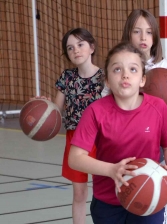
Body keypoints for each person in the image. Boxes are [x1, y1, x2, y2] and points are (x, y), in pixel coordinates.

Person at [68, 42, 167, 224]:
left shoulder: (158, 108)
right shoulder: (95, 111)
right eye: (117, 69)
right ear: (107, 80)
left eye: (133, 69)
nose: (125, 74)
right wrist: (112, 170)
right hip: (108, 202)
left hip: (148, 199)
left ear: (143, 79)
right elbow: (75, 158)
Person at [33, 28, 105, 224]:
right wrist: (42, 108)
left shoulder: (104, 78)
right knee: (79, 194)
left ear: (92, 47)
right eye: (70, 48)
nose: (76, 50)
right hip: (76, 141)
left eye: (80, 45)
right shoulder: (67, 78)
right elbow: (56, 111)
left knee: (104, 193)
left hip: (102, 140)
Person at [102, 9, 167, 109]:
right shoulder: (119, 64)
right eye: (137, 31)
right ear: (128, 34)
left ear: (155, 36)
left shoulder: (165, 66)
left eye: (149, 32)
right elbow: (105, 99)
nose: (143, 37)